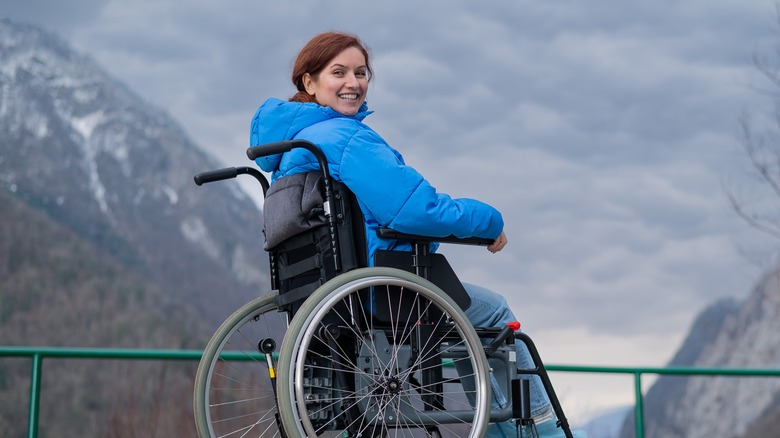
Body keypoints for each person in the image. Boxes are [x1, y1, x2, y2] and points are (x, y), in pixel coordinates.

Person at [250, 31, 583, 438]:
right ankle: (539, 432)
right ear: (309, 82)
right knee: (492, 312)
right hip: (380, 287)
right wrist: (490, 223)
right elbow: (412, 209)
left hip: (323, 293)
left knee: (465, 314)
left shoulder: (292, 150)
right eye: (338, 72)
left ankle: (503, 425)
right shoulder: (344, 137)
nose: (353, 83)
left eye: (360, 72)